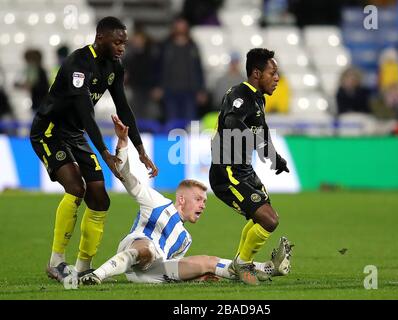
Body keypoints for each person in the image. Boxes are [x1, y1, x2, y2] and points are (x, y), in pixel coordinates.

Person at [77, 115, 293, 285]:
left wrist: (198, 276)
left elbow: (174, 267)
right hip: (135, 250)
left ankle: (267, 268)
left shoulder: (185, 238)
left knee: (208, 262)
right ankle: (97, 275)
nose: (202, 205)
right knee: (146, 249)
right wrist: (123, 143)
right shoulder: (156, 202)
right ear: (181, 199)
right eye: (198, 199)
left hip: (154, 272)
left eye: (204, 202)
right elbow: (126, 176)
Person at [29, 16, 159, 283]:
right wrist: (105, 153)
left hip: (75, 134)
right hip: (50, 131)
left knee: (100, 198)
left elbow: (123, 107)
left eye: (124, 42)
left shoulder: (114, 66)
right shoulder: (78, 64)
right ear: (101, 39)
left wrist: (140, 149)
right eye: (118, 42)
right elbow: (86, 113)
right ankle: (56, 261)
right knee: (76, 188)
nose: (123, 47)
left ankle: (82, 266)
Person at [209, 48, 290, 285]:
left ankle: (240, 263)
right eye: (272, 73)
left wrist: (275, 158)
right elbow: (232, 120)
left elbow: (261, 132)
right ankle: (243, 265)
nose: (277, 78)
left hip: (243, 170)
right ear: (256, 73)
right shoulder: (239, 94)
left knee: (263, 219)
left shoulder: (258, 98)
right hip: (227, 173)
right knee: (269, 220)